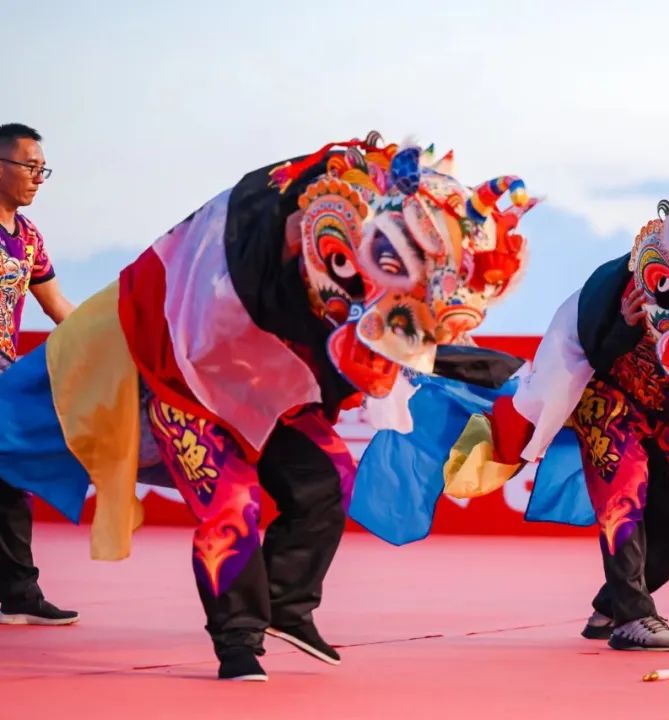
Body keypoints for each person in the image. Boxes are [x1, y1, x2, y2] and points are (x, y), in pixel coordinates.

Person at [0, 133, 536, 680]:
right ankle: (238, 640)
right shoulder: (258, 237)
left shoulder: (386, 276)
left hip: (275, 386)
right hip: (188, 381)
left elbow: (405, 341)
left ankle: (287, 603)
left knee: (328, 478)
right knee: (230, 505)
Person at [351, 155, 669, 652]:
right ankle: (633, 619)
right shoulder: (627, 284)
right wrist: (624, 324)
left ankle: (611, 606)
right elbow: (592, 349)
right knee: (626, 493)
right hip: (608, 397)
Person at [0, 123, 78, 626]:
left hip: (4, 376)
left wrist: (109, 339)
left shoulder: (28, 238)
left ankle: (18, 594)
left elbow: (57, 307)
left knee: (10, 480)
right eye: (29, 166)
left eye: (41, 168)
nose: (37, 177)